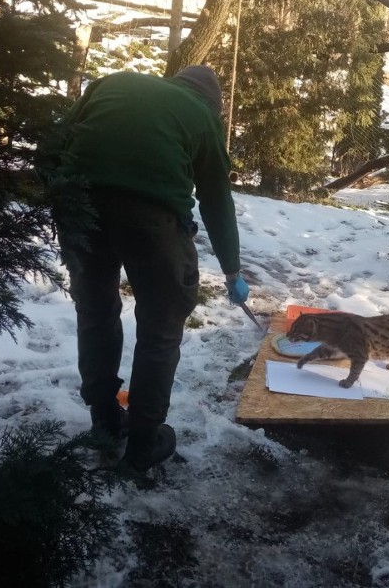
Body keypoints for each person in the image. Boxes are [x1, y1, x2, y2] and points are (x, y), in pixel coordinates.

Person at [48, 65, 249, 472]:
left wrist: (58, 198)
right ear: (214, 102)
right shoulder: (205, 119)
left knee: (96, 311)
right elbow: (216, 201)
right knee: (161, 327)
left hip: (79, 206)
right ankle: (143, 442)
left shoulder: (114, 82)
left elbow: (53, 144)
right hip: (152, 219)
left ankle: (105, 423)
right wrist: (232, 271)